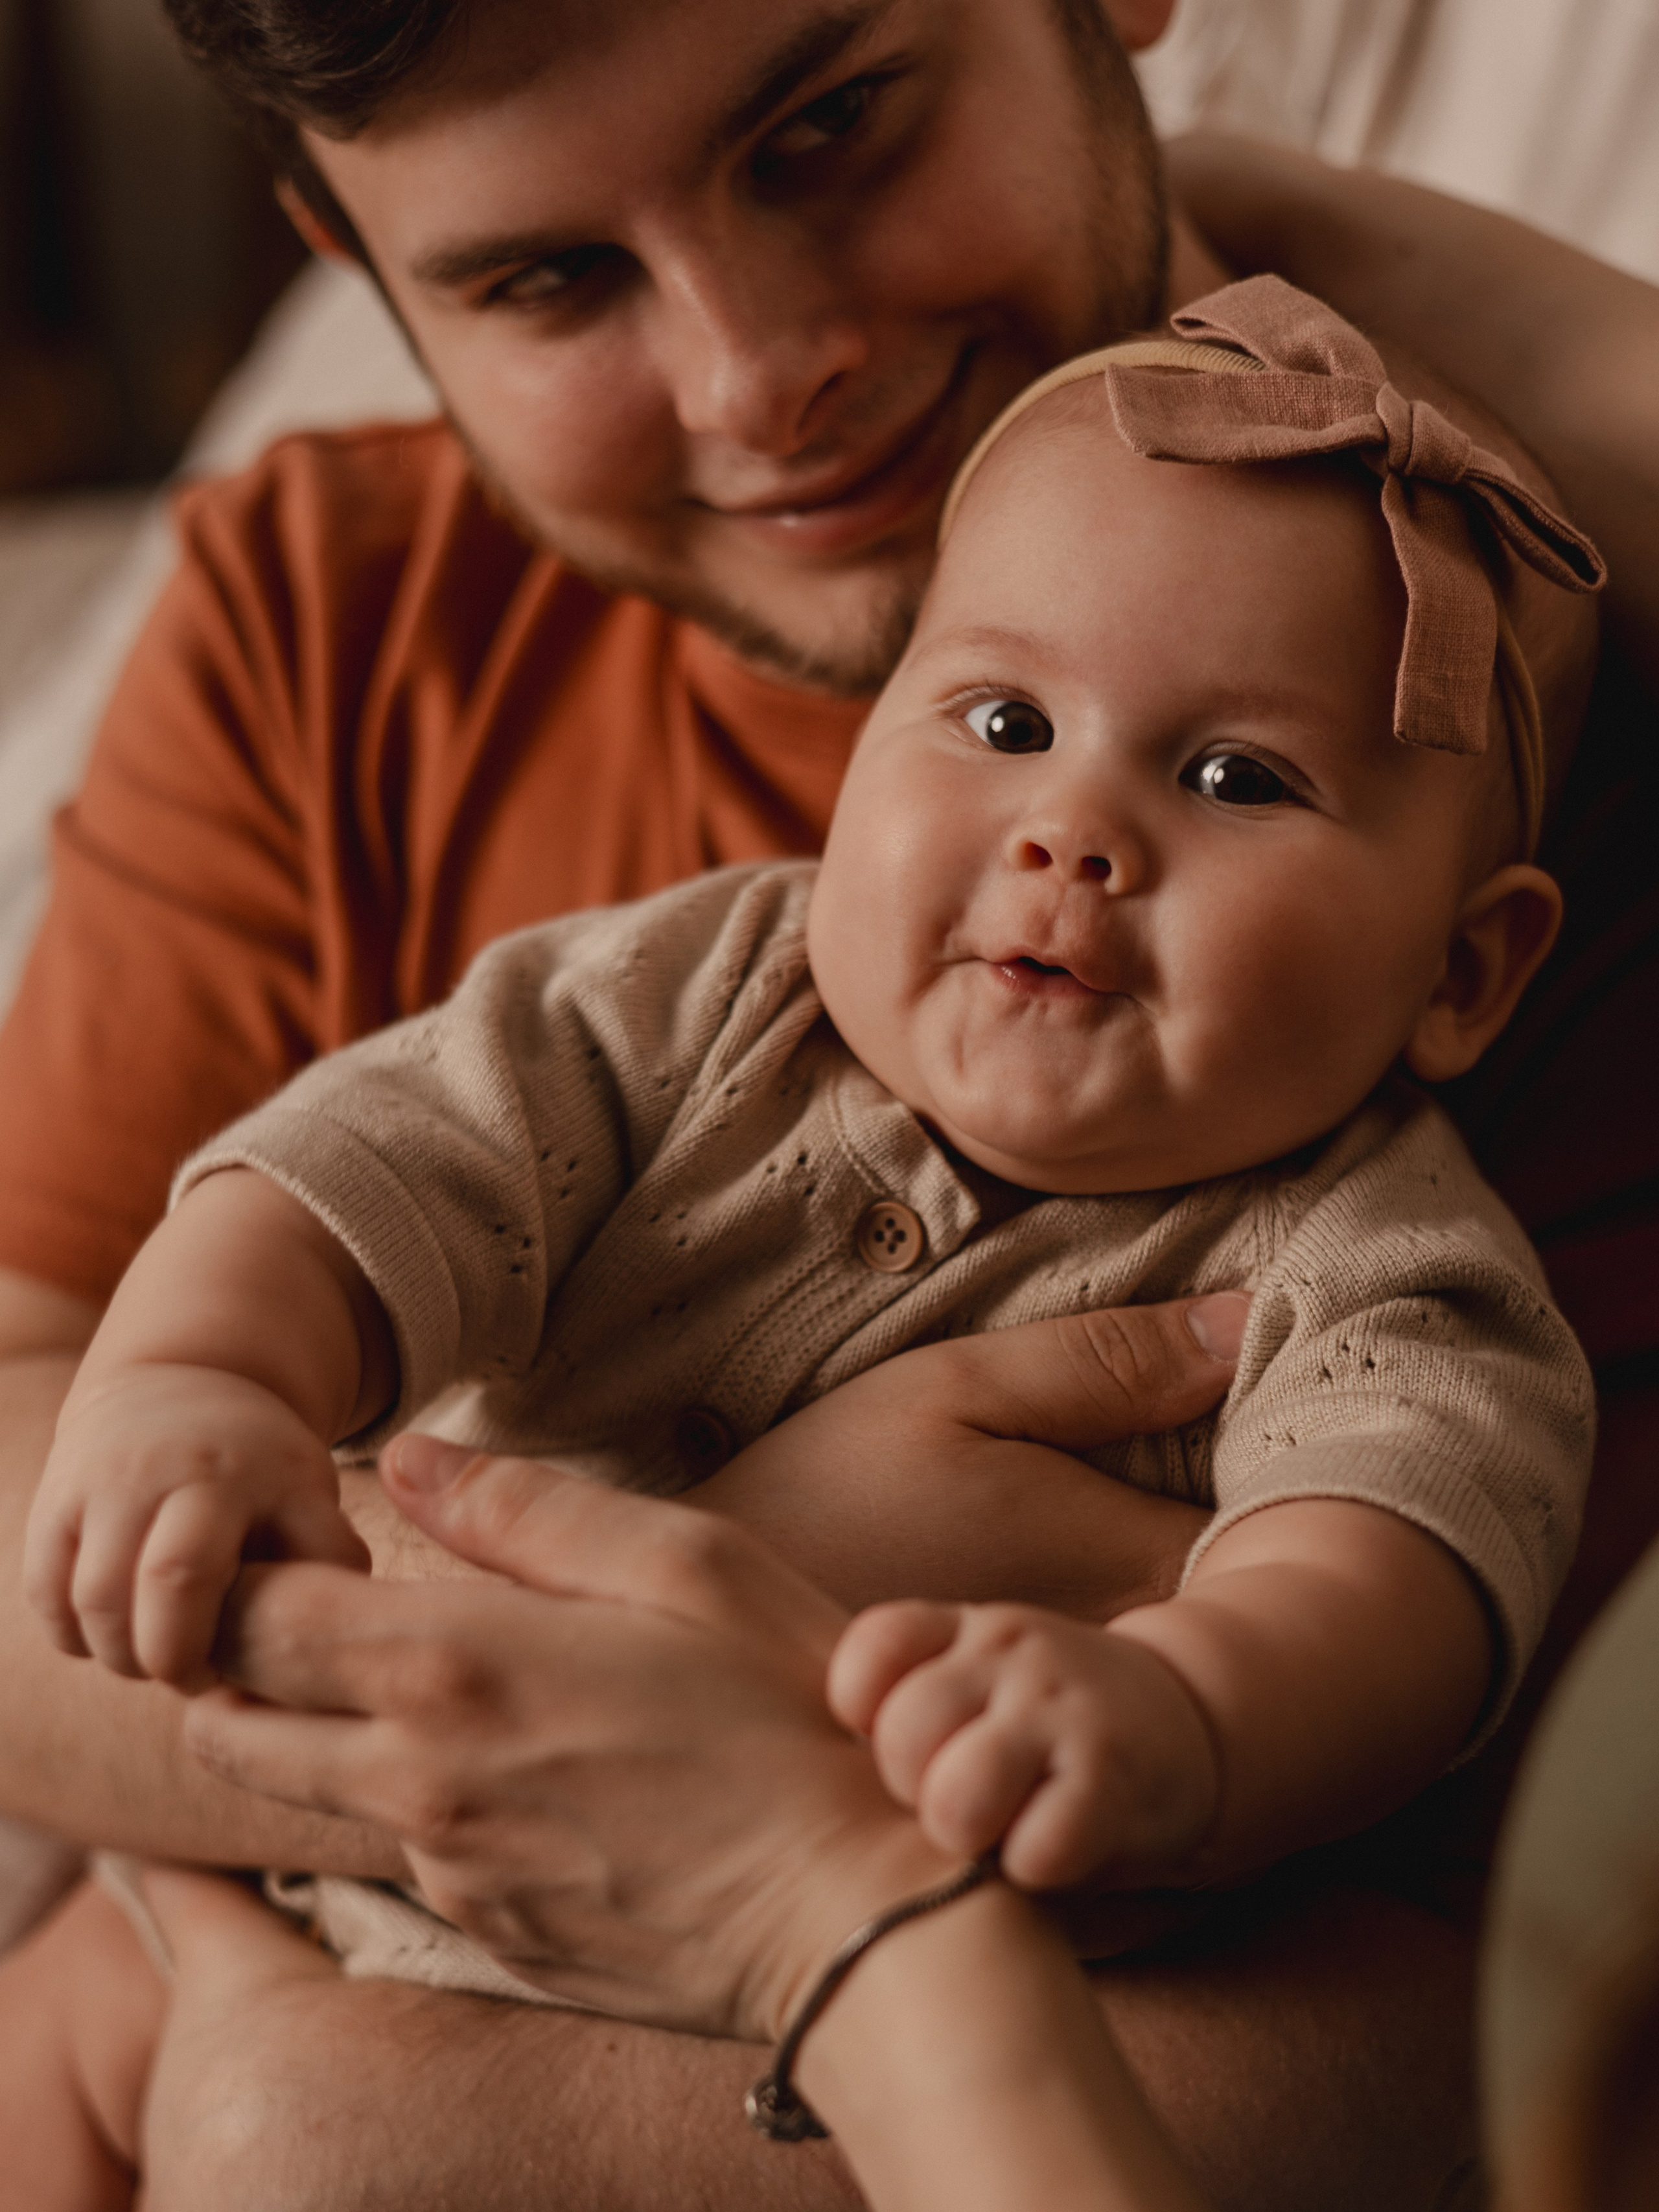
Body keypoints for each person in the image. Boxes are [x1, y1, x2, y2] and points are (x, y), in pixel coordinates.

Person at [0, 0, 1648, 2193]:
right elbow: (363, 1172)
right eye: (543, 279)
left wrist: (1178, 1716)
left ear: (1466, 966)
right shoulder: (470, 752)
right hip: (310, 1936)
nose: (758, 375)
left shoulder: (1481, 733)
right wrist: (728, 1578)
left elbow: (1453, 1910)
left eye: (833, 126)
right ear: (351, 265)